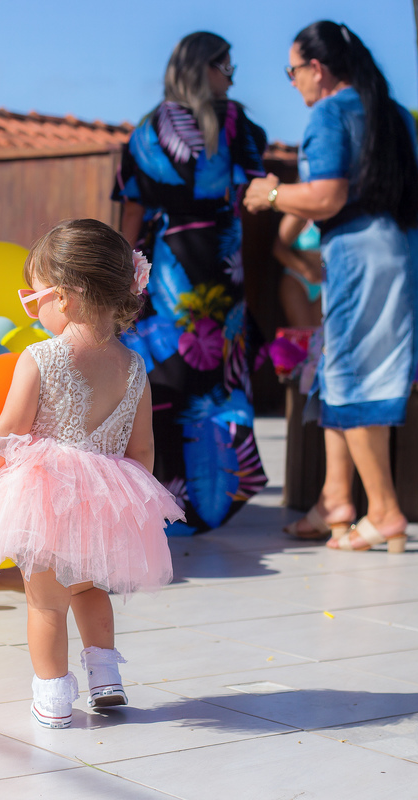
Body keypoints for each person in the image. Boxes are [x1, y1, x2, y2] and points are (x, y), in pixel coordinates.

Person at [0, 219, 183, 729]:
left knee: (46, 603)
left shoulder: (40, 358)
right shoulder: (134, 367)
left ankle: (52, 696)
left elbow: (6, 432)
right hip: (105, 499)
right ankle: (106, 678)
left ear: (65, 298)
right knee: (90, 590)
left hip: (45, 497)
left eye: (34, 299)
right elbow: (142, 452)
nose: (33, 309)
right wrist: (121, 502)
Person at [244, 21, 418, 552]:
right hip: (408, 247)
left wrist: (272, 195)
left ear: (317, 69)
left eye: (293, 71)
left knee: (353, 375)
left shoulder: (329, 112)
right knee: (336, 370)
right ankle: (335, 500)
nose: (292, 82)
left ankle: (386, 511)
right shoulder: (391, 112)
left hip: (364, 253)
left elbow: (327, 196)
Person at [112, 31, 269, 535]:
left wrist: (120, 276)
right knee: (218, 380)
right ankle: (214, 498)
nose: (230, 77)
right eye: (228, 66)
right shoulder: (234, 120)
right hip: (220, 269)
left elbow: (132, 207)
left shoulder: (144, 131)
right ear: (205, 67)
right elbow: (255, 186)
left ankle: (164, 499)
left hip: (164, 267)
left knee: (167, 378)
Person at [276, 213, 323, 328]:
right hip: (298, 280)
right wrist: (306, 270)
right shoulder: (299, 212)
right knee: (304, 335)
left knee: (319, 340)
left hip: (325, 282)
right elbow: (278, 248)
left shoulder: (336, 208)